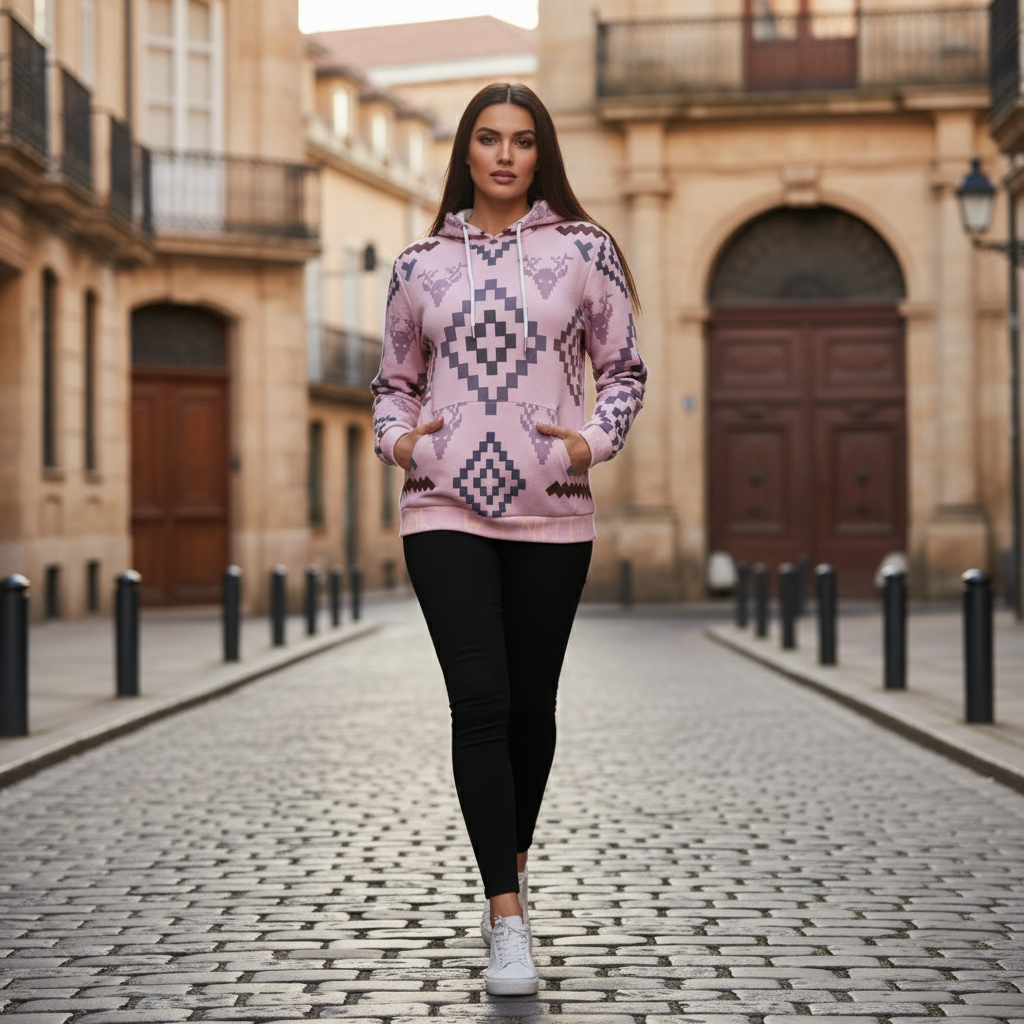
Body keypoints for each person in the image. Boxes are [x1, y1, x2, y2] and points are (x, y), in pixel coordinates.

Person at [371, 82, 646, 996]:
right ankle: (507, 917)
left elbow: (624, 371)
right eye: (488, 139)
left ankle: (512, 866)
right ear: (466, 151)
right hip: (442, 509)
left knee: (532, 708)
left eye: (521, 142)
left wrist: (590, 442)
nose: (503, 155)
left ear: (539, 155)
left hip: (553, 510)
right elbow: (391, 384)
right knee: (481, 700)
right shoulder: (417, 265)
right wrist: (402, 444)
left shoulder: (585, 251)